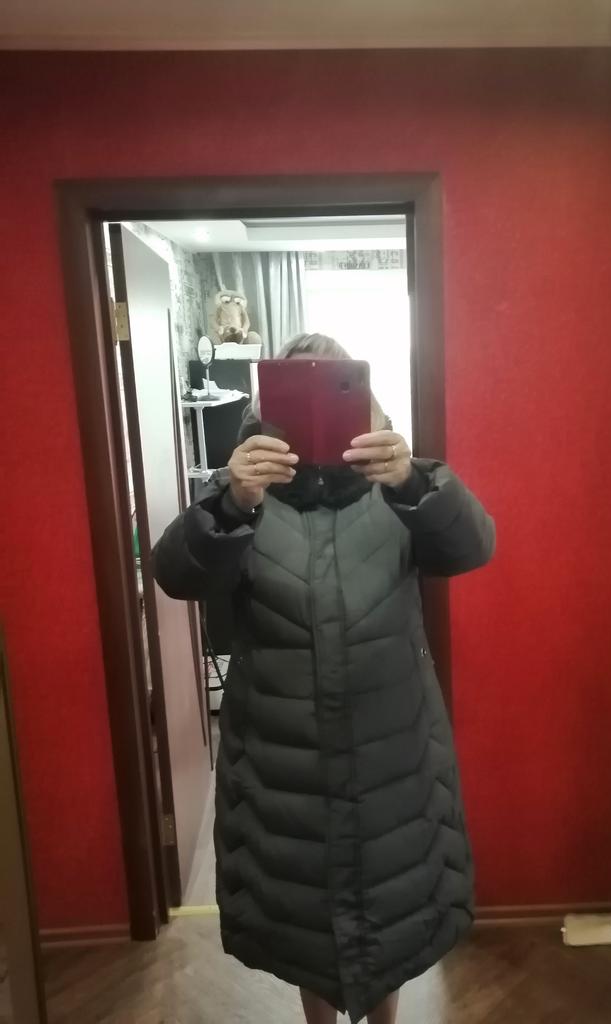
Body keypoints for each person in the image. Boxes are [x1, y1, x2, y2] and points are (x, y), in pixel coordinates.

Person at [152, 333, 495, 1024]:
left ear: (366, 401)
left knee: (391, 914)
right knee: (305, 919)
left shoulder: (400, 490)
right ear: (266, 413)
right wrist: (231, 501)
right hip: (283, 764)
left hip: (392, 753)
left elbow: (472, 546)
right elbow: (176, 575)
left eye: (340, 387)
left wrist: (412, 479)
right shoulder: (244, 499)